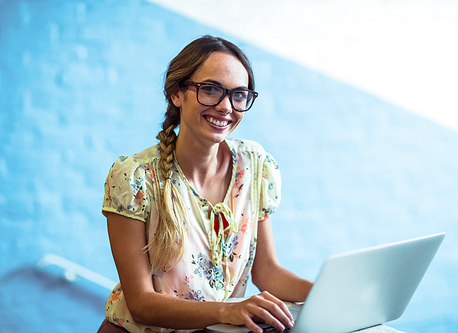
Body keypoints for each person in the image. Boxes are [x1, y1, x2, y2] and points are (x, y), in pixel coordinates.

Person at [97, 35, 313, 333]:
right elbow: (142, 304)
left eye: (239, 95)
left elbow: (266, 271)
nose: (226, 107)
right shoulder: (135, 177)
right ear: (176, 94)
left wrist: (327, 296)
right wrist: (229, 310)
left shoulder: (254, 165)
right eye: (210, 90)